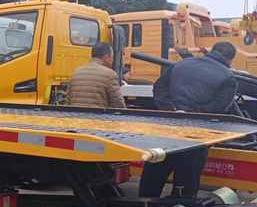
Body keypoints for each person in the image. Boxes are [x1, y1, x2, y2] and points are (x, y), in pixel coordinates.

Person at [140, 41, 238, 198]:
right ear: (230, 59)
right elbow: (219, 107)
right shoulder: (228, 77)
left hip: (167, 126)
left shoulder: (181, 64)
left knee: (156, 164)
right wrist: (192, 113)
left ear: (212, 50)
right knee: (187, 174)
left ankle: (145, 202)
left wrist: (171, 110)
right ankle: (181, 204)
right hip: (195, 134)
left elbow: (159, 87)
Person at [68, 42, 126, 108]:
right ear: (106, 57)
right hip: (97, 114)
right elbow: (118, 104)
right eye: (112, 57)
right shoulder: (110, 74)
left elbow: (68, 100)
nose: (112, 61)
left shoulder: (76, 72)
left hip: (76, 114)